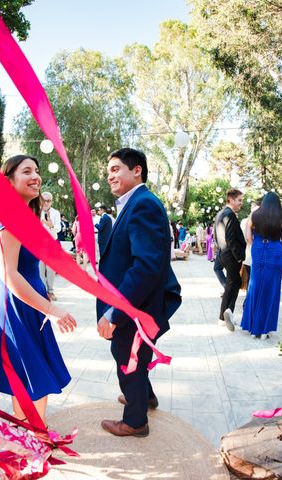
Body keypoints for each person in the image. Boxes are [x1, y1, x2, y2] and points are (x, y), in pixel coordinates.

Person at [0, 155, 77, 423]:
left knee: (27, 374)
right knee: (33, 375)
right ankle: (35, 436)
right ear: (9, 181)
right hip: (19, 304)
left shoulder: (19, 214)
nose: (36, 176)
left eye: (37, 171)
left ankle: (30, 434)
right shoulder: (11, 215)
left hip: (25, 302)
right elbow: (10, 275)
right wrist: (52, 310)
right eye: (27, 171)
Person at [96, 148, 181, 438]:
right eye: (109, 171)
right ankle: (145, 397)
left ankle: (135, 421)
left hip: (137, 306)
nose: (110, 176)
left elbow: (145, 267)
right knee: (134, 355)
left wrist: (115, 312)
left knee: (126, 355)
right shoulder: (136, 203)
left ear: (137, 171)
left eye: (116, 168)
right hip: (137, 301)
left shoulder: (143, 204)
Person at [240, 193, 282, 339]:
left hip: (259, 248)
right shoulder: (281, 217)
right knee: (271, 290)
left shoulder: (254, 215)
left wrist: (258, 246)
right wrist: (277, 252)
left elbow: (248, 238)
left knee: (254, 287)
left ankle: (253, 327)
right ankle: (265, 329)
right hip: (275, 251)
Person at [214, 188, 246, 332]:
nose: (241, 203)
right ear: (231, 200)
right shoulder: (230, 215)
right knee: (233, 283)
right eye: (239, 200)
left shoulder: (220, 213)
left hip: (223, 253)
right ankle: (224, 315)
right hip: (231, 255)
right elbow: (231, 239)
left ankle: (228, 312)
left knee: (235, 282)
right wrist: (239, 256)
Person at [39, 192, 61, 301]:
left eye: (48, 200)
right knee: (40, 269)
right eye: (44, 200)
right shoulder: (36, 212)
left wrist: (50, 225)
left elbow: (58, 229)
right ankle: (43, 292)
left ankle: (50, 291)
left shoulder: (56, 213)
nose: (46, 202)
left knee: (51, 269)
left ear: (51, 201)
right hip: (39, 244)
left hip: (51, 244)